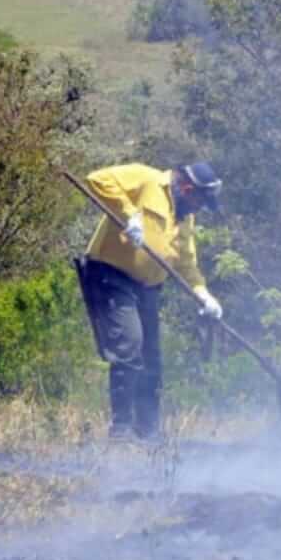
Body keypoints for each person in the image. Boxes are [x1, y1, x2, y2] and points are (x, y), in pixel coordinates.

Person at [74, 162, 224, 440]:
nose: (199, 208)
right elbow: (96, 178)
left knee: (151, 361)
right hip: (111, 276)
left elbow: (186, 263)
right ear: (188, 188)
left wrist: (203, 294)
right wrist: (130, 215)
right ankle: (121, 431)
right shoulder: (147, 179)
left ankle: (148, 432)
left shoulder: (185, 217)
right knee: (130, 347)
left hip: (148, 287)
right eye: (200, 201)